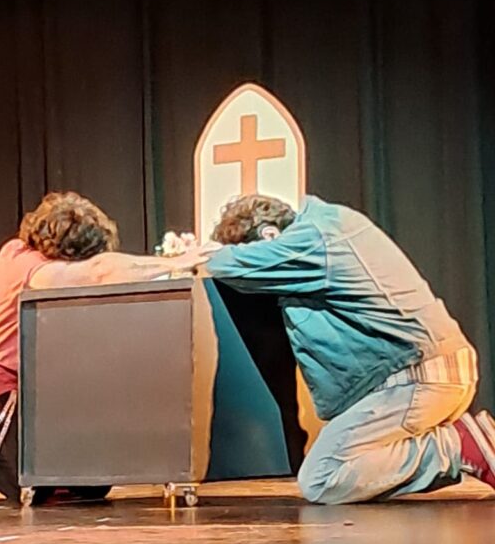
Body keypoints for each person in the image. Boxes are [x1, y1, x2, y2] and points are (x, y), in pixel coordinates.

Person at [205, 193, 495, 504]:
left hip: (417, 378)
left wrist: (198, 256)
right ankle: (456, 442)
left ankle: (456, 445)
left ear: (269, 235)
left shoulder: (315, 238)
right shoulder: (329, 227)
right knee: (353, 463)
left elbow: (229, 265)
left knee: (322, 476)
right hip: (432, 373)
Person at [0, 191, 208, 504]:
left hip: (30, 384)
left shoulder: (31, 259)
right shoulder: (25, 261)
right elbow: (99, 272)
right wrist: (174, 263)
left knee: (91, 486)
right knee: (34, 486)